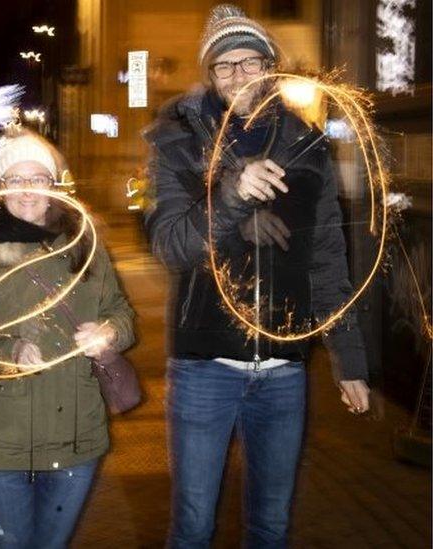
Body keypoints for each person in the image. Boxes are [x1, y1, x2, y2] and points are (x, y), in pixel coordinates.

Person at [142, 5, 371, 548]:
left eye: (251, 62)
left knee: (271, 525)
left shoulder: (309, 144)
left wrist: (350, 360)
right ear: (210, 76)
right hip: (204, 366)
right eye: (225, 66)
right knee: (194, 525)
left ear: (272, 66)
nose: (240, 75)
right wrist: (231, 196)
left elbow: (327, 261)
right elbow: (170, 247)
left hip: (285, 369)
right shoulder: (177, 142)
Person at [0, 131, 135, 548]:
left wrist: (110, 333)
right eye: (16, 179)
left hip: (75, 440)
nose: (28, 190)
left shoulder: (85, 243)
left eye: (39, 179)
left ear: (54, 187)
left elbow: (121, 313)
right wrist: (9, 352)